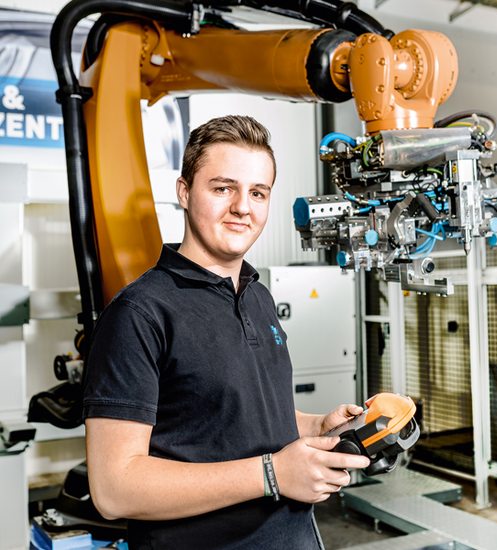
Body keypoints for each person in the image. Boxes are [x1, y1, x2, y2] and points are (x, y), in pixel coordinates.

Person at [83, 115, 370, 550]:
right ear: (184, 192)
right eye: (223, 188)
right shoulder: (139, 314)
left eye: (258, 192)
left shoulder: (258, 296)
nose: (242, 207)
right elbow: (114, 488)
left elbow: (236, 417)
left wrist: (317, 427)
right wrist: (273, 474)